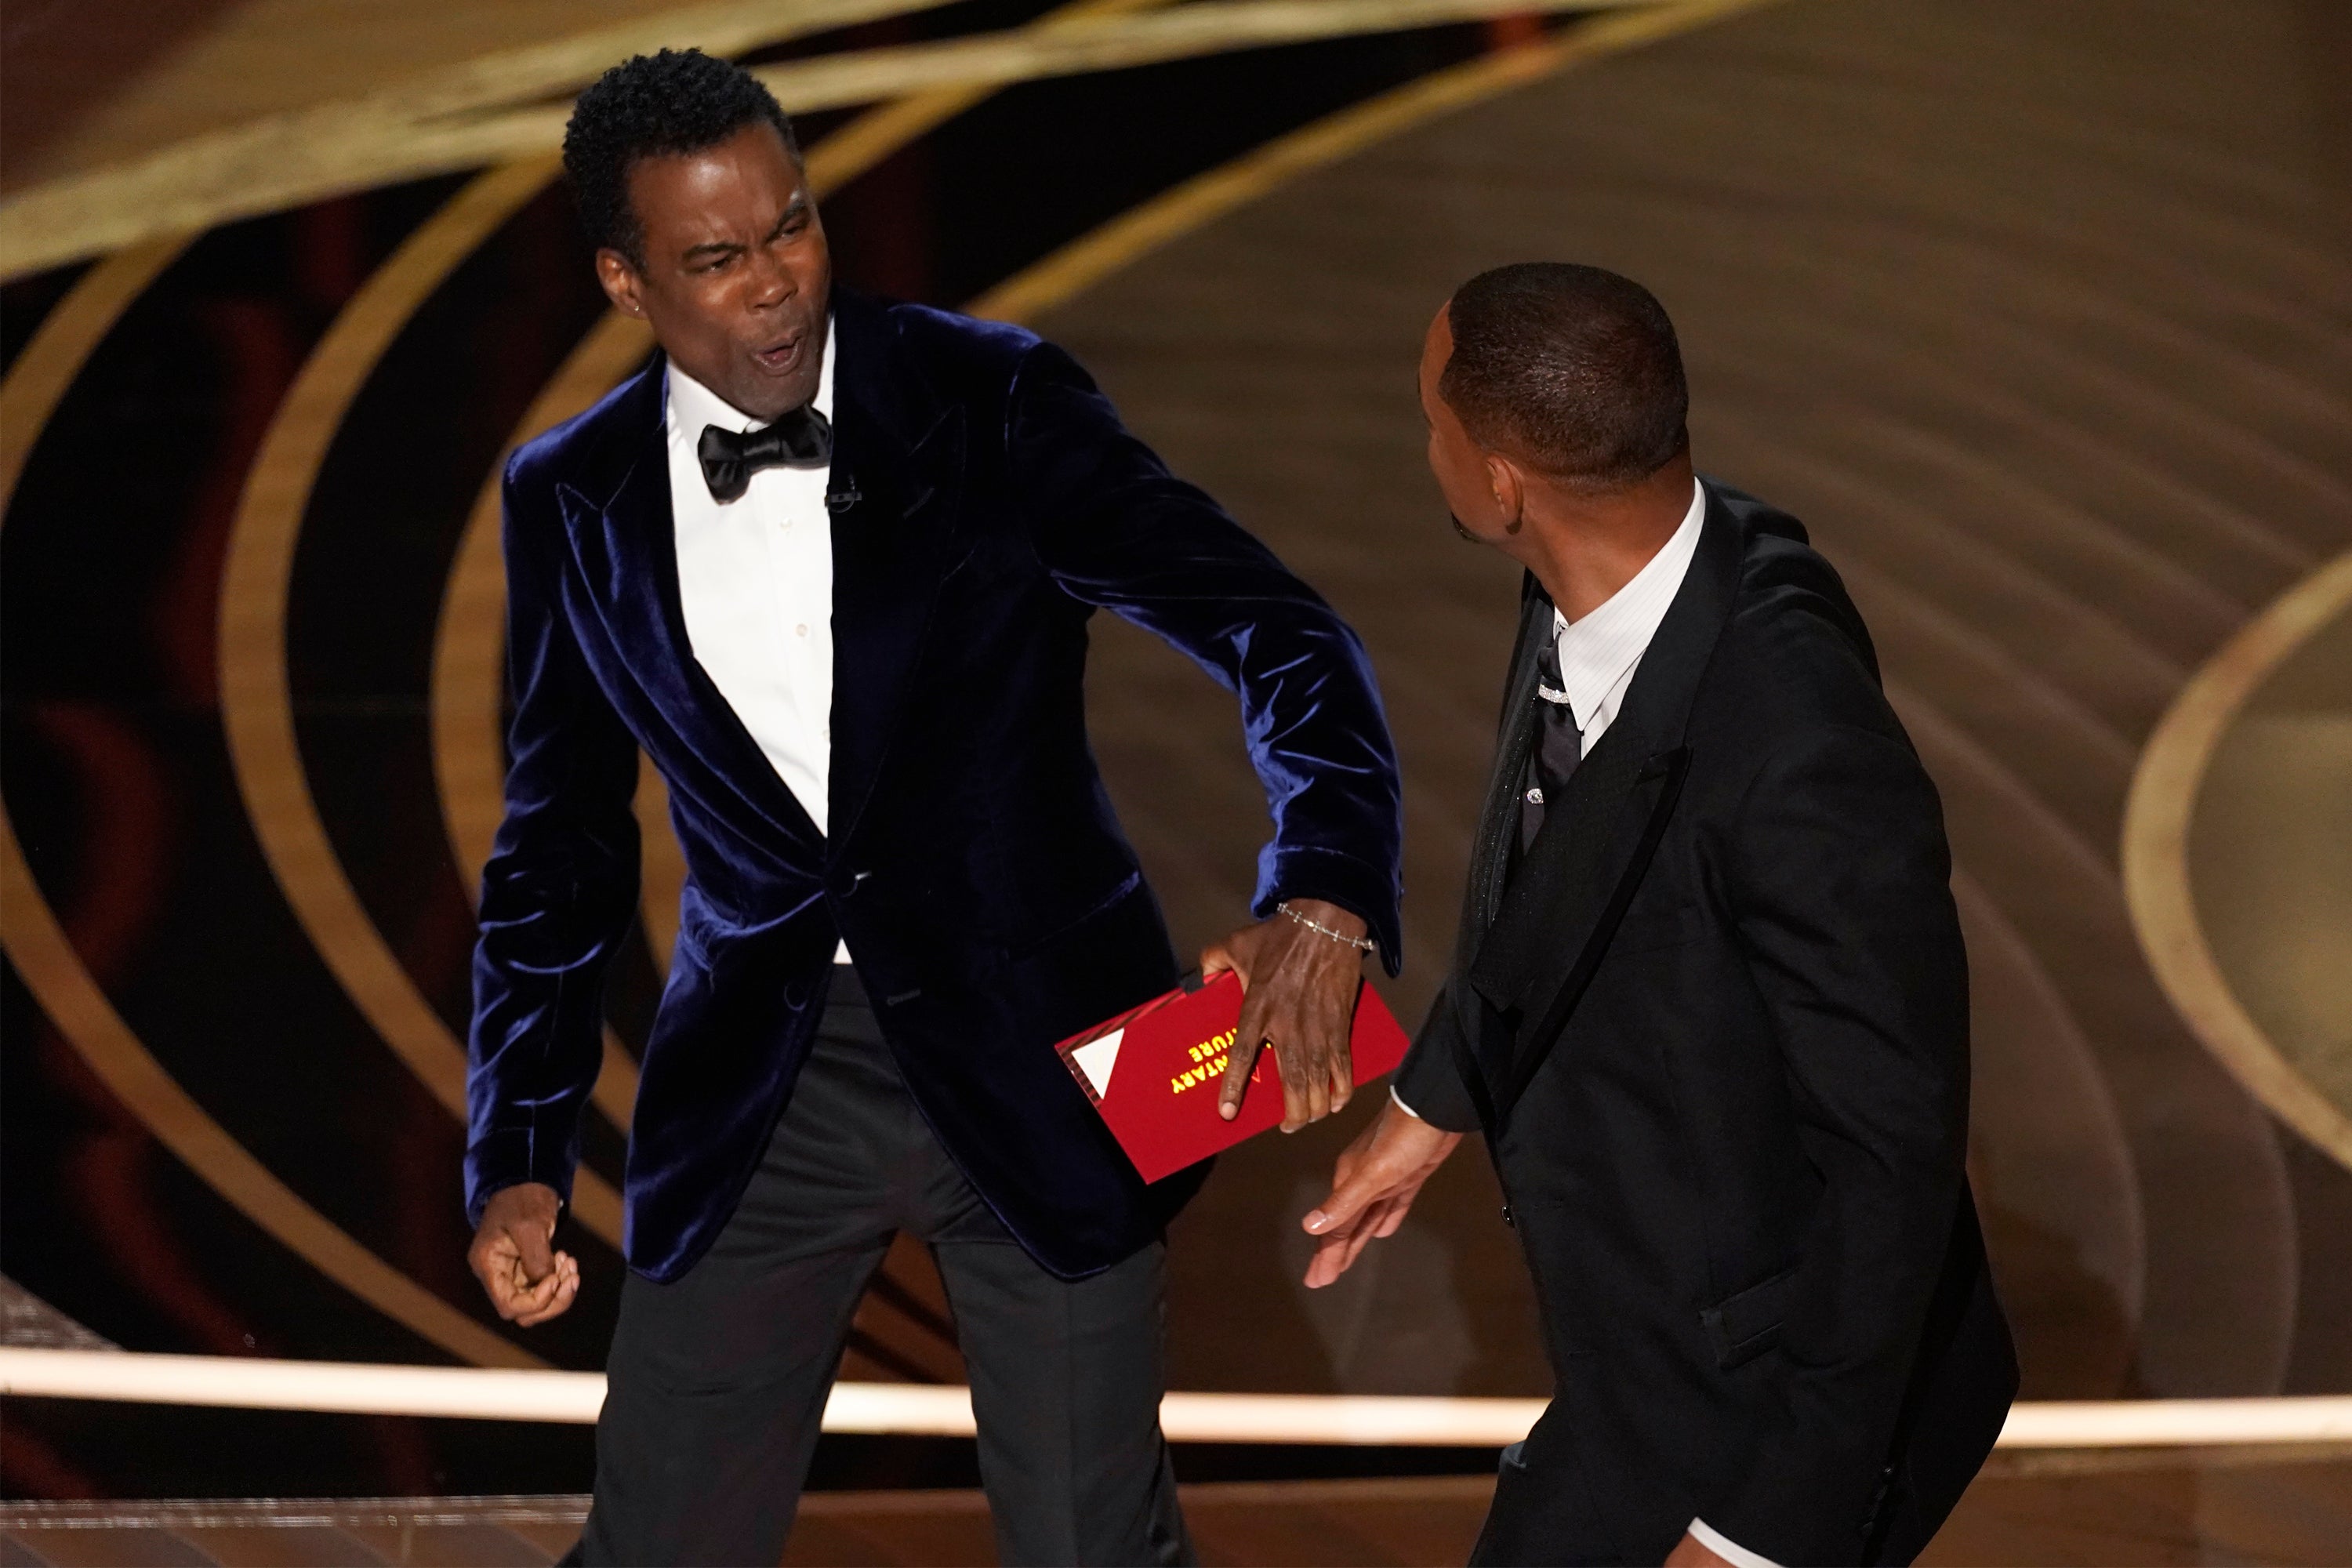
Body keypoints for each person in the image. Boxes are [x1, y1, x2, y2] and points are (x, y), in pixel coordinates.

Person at [460, 49, 1403, 1566]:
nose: (777, 285)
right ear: (626, 282)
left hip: (1051, 1056)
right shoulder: (568, 498)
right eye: (717, 256)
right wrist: (518, 1144)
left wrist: (1328, 887)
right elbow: (559, 850)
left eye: (794, 226)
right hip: (769, 1087)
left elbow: (1282, 633)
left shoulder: (995, 401)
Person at [1301, 263, 2016, 1567]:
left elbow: (1892, 1160)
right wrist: (1437, 1099)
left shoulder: (1800, 747)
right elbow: (1571, 861)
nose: (1427, 449)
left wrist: (1755, 1536)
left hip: (1774, 1401)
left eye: (1432, 423)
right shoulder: (1646, 572)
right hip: (1646, 1346)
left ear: (1504, 486)